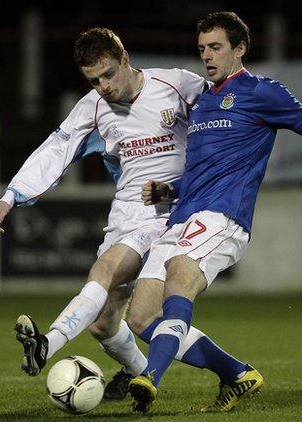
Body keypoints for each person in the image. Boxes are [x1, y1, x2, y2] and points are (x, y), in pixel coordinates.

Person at [0, 27, 257, 403]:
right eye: (93, 80)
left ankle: (47, 344)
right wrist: (9, 198)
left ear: (125, 60)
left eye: (107, 74)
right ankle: (160, 376)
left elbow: (225, 114)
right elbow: (55, 150)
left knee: (105, 273)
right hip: (126, 214)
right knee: (105, 325)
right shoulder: (93, 108)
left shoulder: (177, 85)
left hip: (169, 213)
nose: (102, 86)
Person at [128, 10, 302, 413]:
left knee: (179, 277)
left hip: (223, 216)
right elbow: (203, 171)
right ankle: (237, 374)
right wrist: (169, 190)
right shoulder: (203, 101)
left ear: (240, 49)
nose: (207, 55)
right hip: (182, 215)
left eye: (216, 47)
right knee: (139, 317)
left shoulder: (262, 91)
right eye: (202, 48)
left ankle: (148, 378)